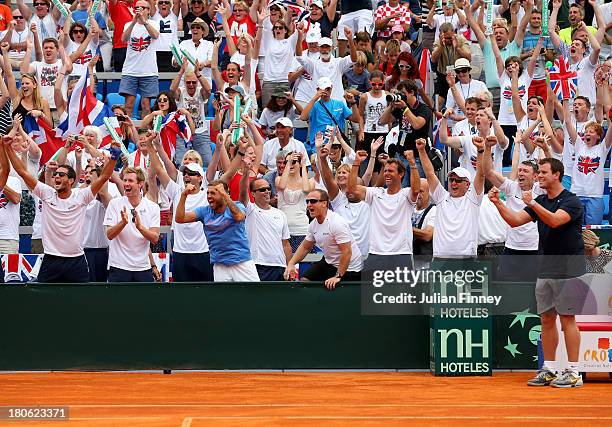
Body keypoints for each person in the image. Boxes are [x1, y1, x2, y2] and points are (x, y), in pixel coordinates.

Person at [489, 157, 585, 387]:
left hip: (568, 269)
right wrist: (497, 203)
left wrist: (532, 204)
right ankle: (550, 368)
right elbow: (514, 221)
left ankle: (574, 372)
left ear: (557, 175)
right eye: (539, 173)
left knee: (568, 320)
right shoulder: (541, 199)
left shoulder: (571, 201)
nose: (539, 176)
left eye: (543, 173)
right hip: (545, 268)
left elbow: (553, 221)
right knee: (547, 319)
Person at [5, 136, 120, 282]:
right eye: (55, 174)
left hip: (76, 260)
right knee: (45, 301)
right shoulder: (47, 193)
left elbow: (103, 177)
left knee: (81, 301)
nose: (56, 177)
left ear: (71, 181)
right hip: (51, 259)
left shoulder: (81, 195)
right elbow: (23, 172)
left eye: (61, 174)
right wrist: (8, 148)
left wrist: (114, 156)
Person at [147, 132, 215, 282]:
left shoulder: (208, 195)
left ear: (200, 177)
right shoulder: (177, 191)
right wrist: (151, 147)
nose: (186, 176)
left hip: (203, 252)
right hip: (180, 252)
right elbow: (159, 168)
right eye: (184, 172)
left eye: (191, 173)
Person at [348, 146, 419, 269]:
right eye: (385, 171)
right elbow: (351, 189)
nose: (386, 174)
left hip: (401, 253)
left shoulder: (406, 194)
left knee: (402, 289)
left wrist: (412, 163)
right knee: (373, 289)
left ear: (401, 174)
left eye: (390, 171)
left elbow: (416, 189)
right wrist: (356, 163)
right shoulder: (376, 193)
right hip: (376, 253)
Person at [176, 179, 260, 282]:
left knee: (253, 296)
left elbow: (239, 217)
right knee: (223, 298)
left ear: (223, 194)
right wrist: (184, 195)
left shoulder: (237, 206)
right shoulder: (204, 211)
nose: (209, 196)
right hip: (219, 265)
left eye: (213, 193)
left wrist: (225, 195)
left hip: (242, 262)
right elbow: (180, 219)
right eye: (207, 193)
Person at [417, 136, 484, 259]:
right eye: (451, 180)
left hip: (466, 260)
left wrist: (480, 151)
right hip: (440, 259)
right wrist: (421, 151)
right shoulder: (441, 196)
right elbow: (429, 173)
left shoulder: (472, 199)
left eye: (458, 180)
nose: (453, 183)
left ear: (467, 184)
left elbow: (480, 174)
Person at [284, 189, 363, 289]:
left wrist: (338, 276)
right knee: (305, 282)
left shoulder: (336, 223)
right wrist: (291, 264)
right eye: (307, 201)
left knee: (331, 288)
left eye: (313, 201)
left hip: (350, 269)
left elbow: (347, 252)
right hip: (328, 262)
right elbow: (305, 247)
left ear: (324, 203)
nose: (308, 205)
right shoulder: (313, 225)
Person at [104, 166, 161, 282]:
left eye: (130, 181)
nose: (126, 184)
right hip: (118, 267)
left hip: (143, 268)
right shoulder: (114, 204)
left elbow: (155, 238)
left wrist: (140, 227)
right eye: (124, 180)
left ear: (140, 184)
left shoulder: (153, 207)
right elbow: (109, 235)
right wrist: (123, 223)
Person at [239, 173, 291, 282]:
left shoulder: (280, 214)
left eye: (268, 188)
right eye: (262, 190)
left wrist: (289, 266)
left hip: (280, 266)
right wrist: (246, 170)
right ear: (253, 193)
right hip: (259, 264)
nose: (267, 191)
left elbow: (285, 244)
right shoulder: (250, 210)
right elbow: (243, 193)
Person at [119, 0, 160, 120]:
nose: (139, 9)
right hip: (130, 71)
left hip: (148, 71)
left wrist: (144, 22)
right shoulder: (128, 25)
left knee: (146, 106)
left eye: (142, 7)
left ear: (148, 10)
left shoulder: (154, 23)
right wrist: (133, 23)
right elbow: (123, 39)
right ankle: (126, 135)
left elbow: (155, 35)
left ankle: (144, 135)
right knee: (128, 106)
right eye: (137, 7)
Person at [300, 76, 361, 154]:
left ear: (331, 88)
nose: (326, 92)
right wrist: (316, 97)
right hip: (320, 145)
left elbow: (356, 119)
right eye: (323, 89)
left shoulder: (339, 104)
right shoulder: (314, 105)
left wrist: (353, 103)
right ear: (318, 89)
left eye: (328, 89)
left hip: (336, 144)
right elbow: (303, 117)